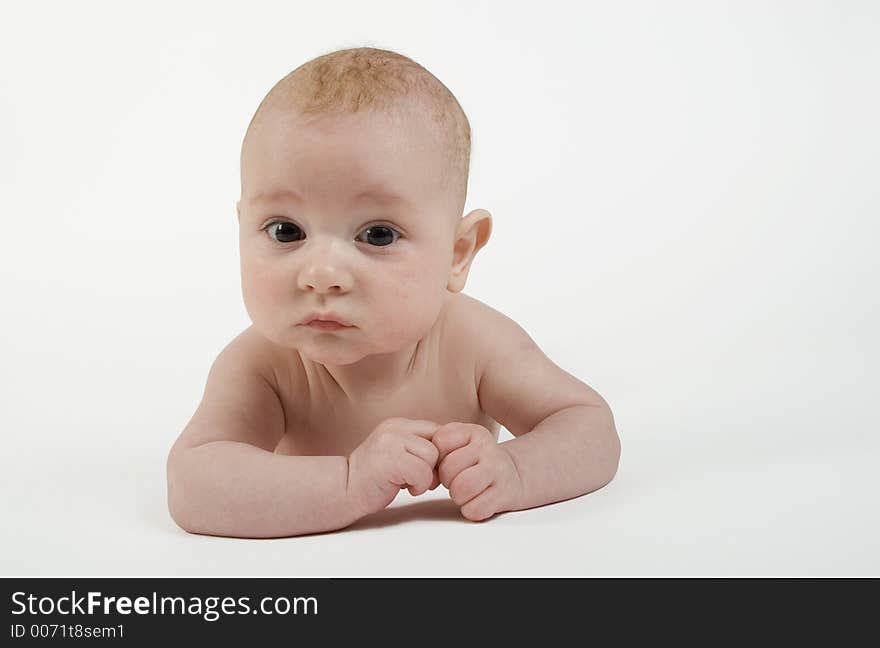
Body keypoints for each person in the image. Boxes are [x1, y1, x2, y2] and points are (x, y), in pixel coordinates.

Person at [166, 46, 620, 538]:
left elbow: (590, 426)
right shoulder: (261, 366)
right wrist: (349, 483)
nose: (321, 274)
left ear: (458, 252)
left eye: (377, 235)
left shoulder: (476, 343)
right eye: (284, 231)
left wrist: (517, 471)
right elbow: (192, 486)